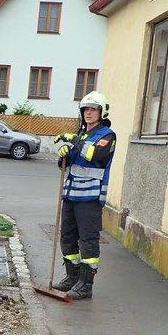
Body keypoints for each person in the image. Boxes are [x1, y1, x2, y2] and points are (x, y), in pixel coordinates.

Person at [52, 91, 116, 300]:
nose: (88, 113)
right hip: (71, 195)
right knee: (67, 238)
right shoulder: (82, 135)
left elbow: (94, 155)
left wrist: (75, 141)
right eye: (85, 109)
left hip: (89, 198)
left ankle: (86, 285)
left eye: (93, 109)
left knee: (88, 241)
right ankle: (73, 277)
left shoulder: (107, 135)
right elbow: (68, 165)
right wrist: (63, 157)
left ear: (101, 112)